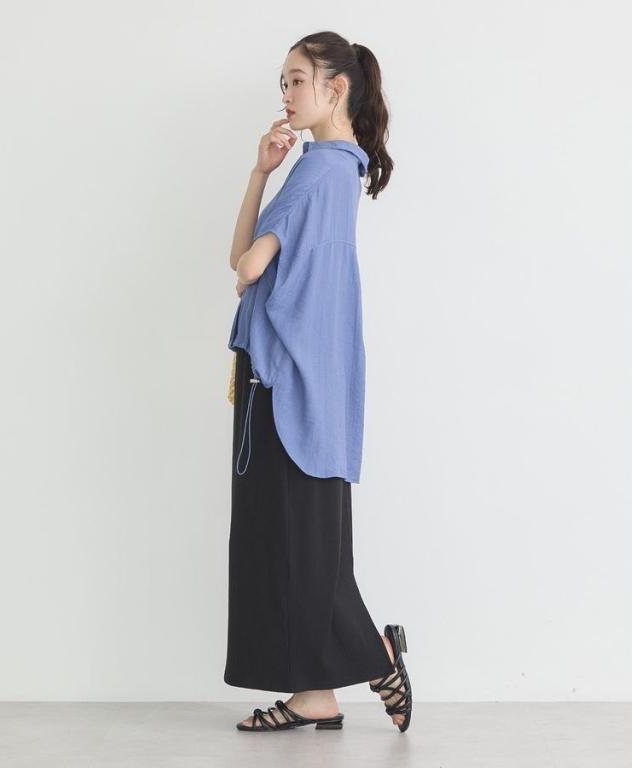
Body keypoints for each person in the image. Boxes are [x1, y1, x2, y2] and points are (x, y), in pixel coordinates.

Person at [224, 31, 413, 733]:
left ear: (336, 88)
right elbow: (243, 261)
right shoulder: (337, 170)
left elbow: (247, 267)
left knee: (292, 540)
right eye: (283, 82)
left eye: (297, 80)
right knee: (305, 541)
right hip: (313, 381)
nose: (286, 94)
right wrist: (260, 172)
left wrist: (265, 183)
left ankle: (376, 658)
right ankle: (315, 694)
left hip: (284, 383)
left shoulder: (321, 171)